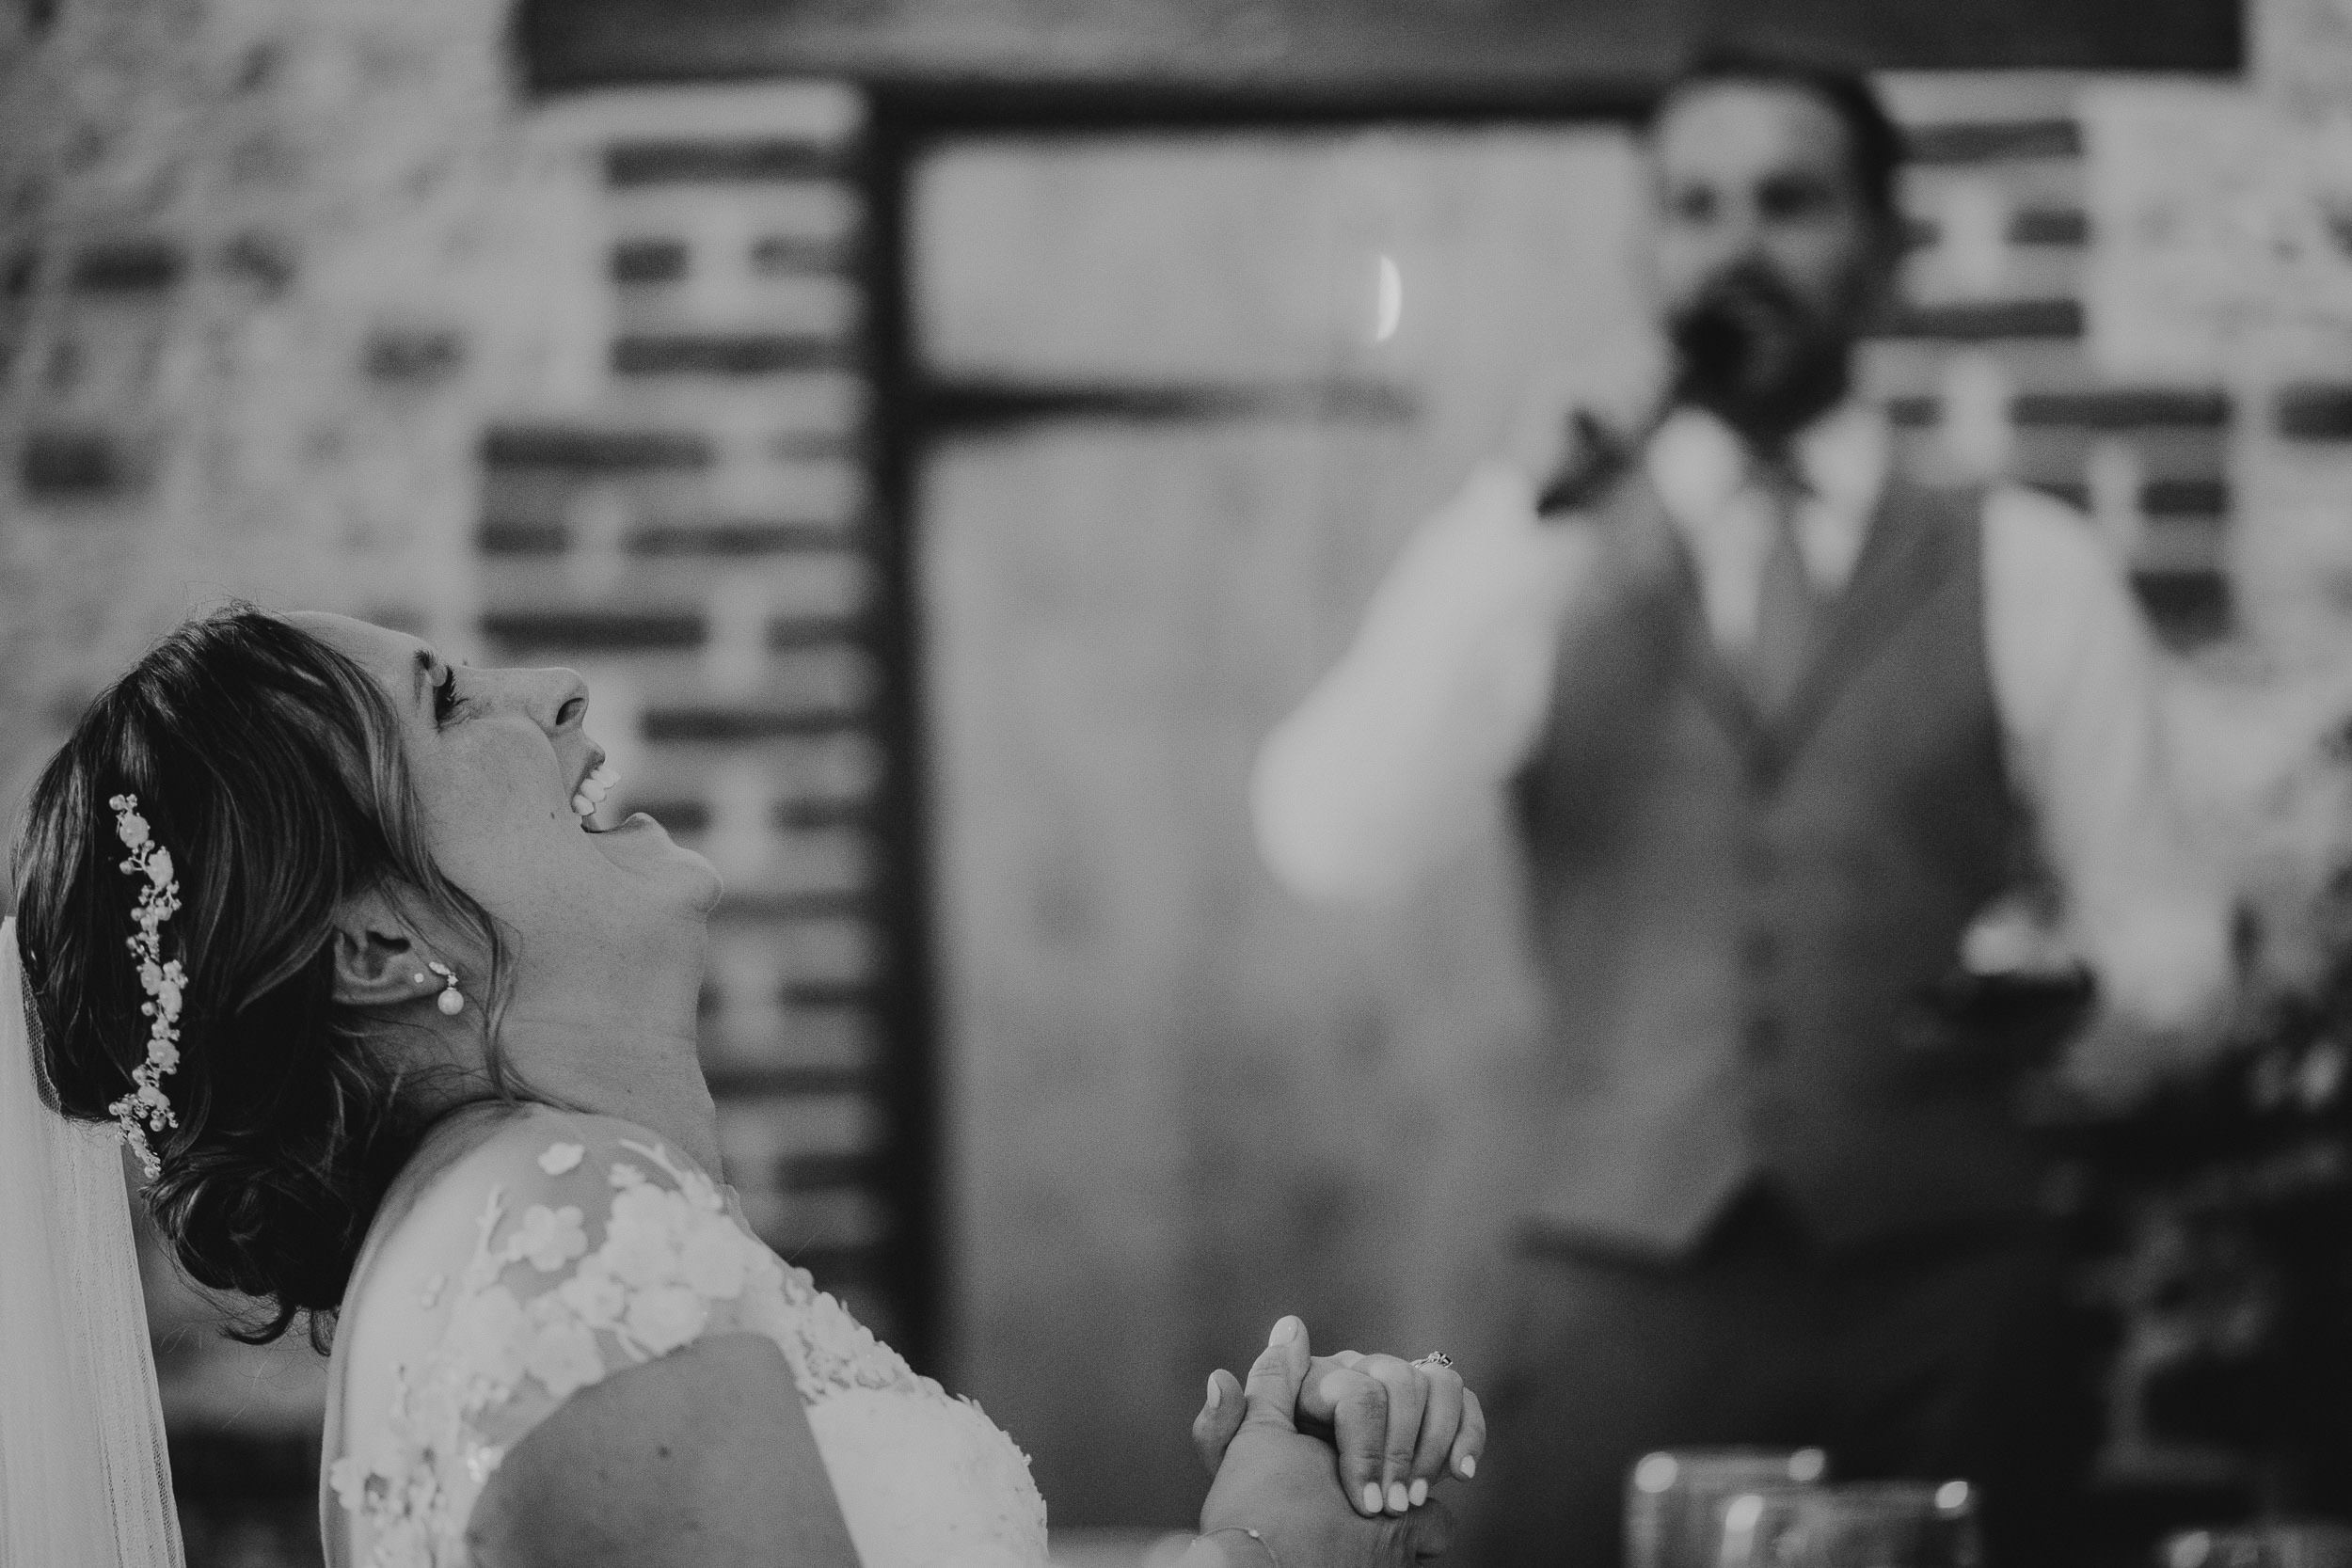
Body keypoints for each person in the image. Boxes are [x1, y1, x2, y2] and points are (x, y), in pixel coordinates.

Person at [1250, 49, 2233, 1568]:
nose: (1739, 247)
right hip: (1615, 1307)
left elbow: (2172, 951)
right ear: (1651, 254)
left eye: (1792, 202)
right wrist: (1526, 510)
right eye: (1695, 206)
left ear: (1888, 256)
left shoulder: (2032, 565)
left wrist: (2087, 996)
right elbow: (1327, 836)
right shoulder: (1536, 560)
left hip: (1958, 1306)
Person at [0, 605, 1486, 1568]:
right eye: (450, 704)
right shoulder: (568, 1240)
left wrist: (1216, 1532)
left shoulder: (488, 1241)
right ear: (379, 942)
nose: (559, 688)